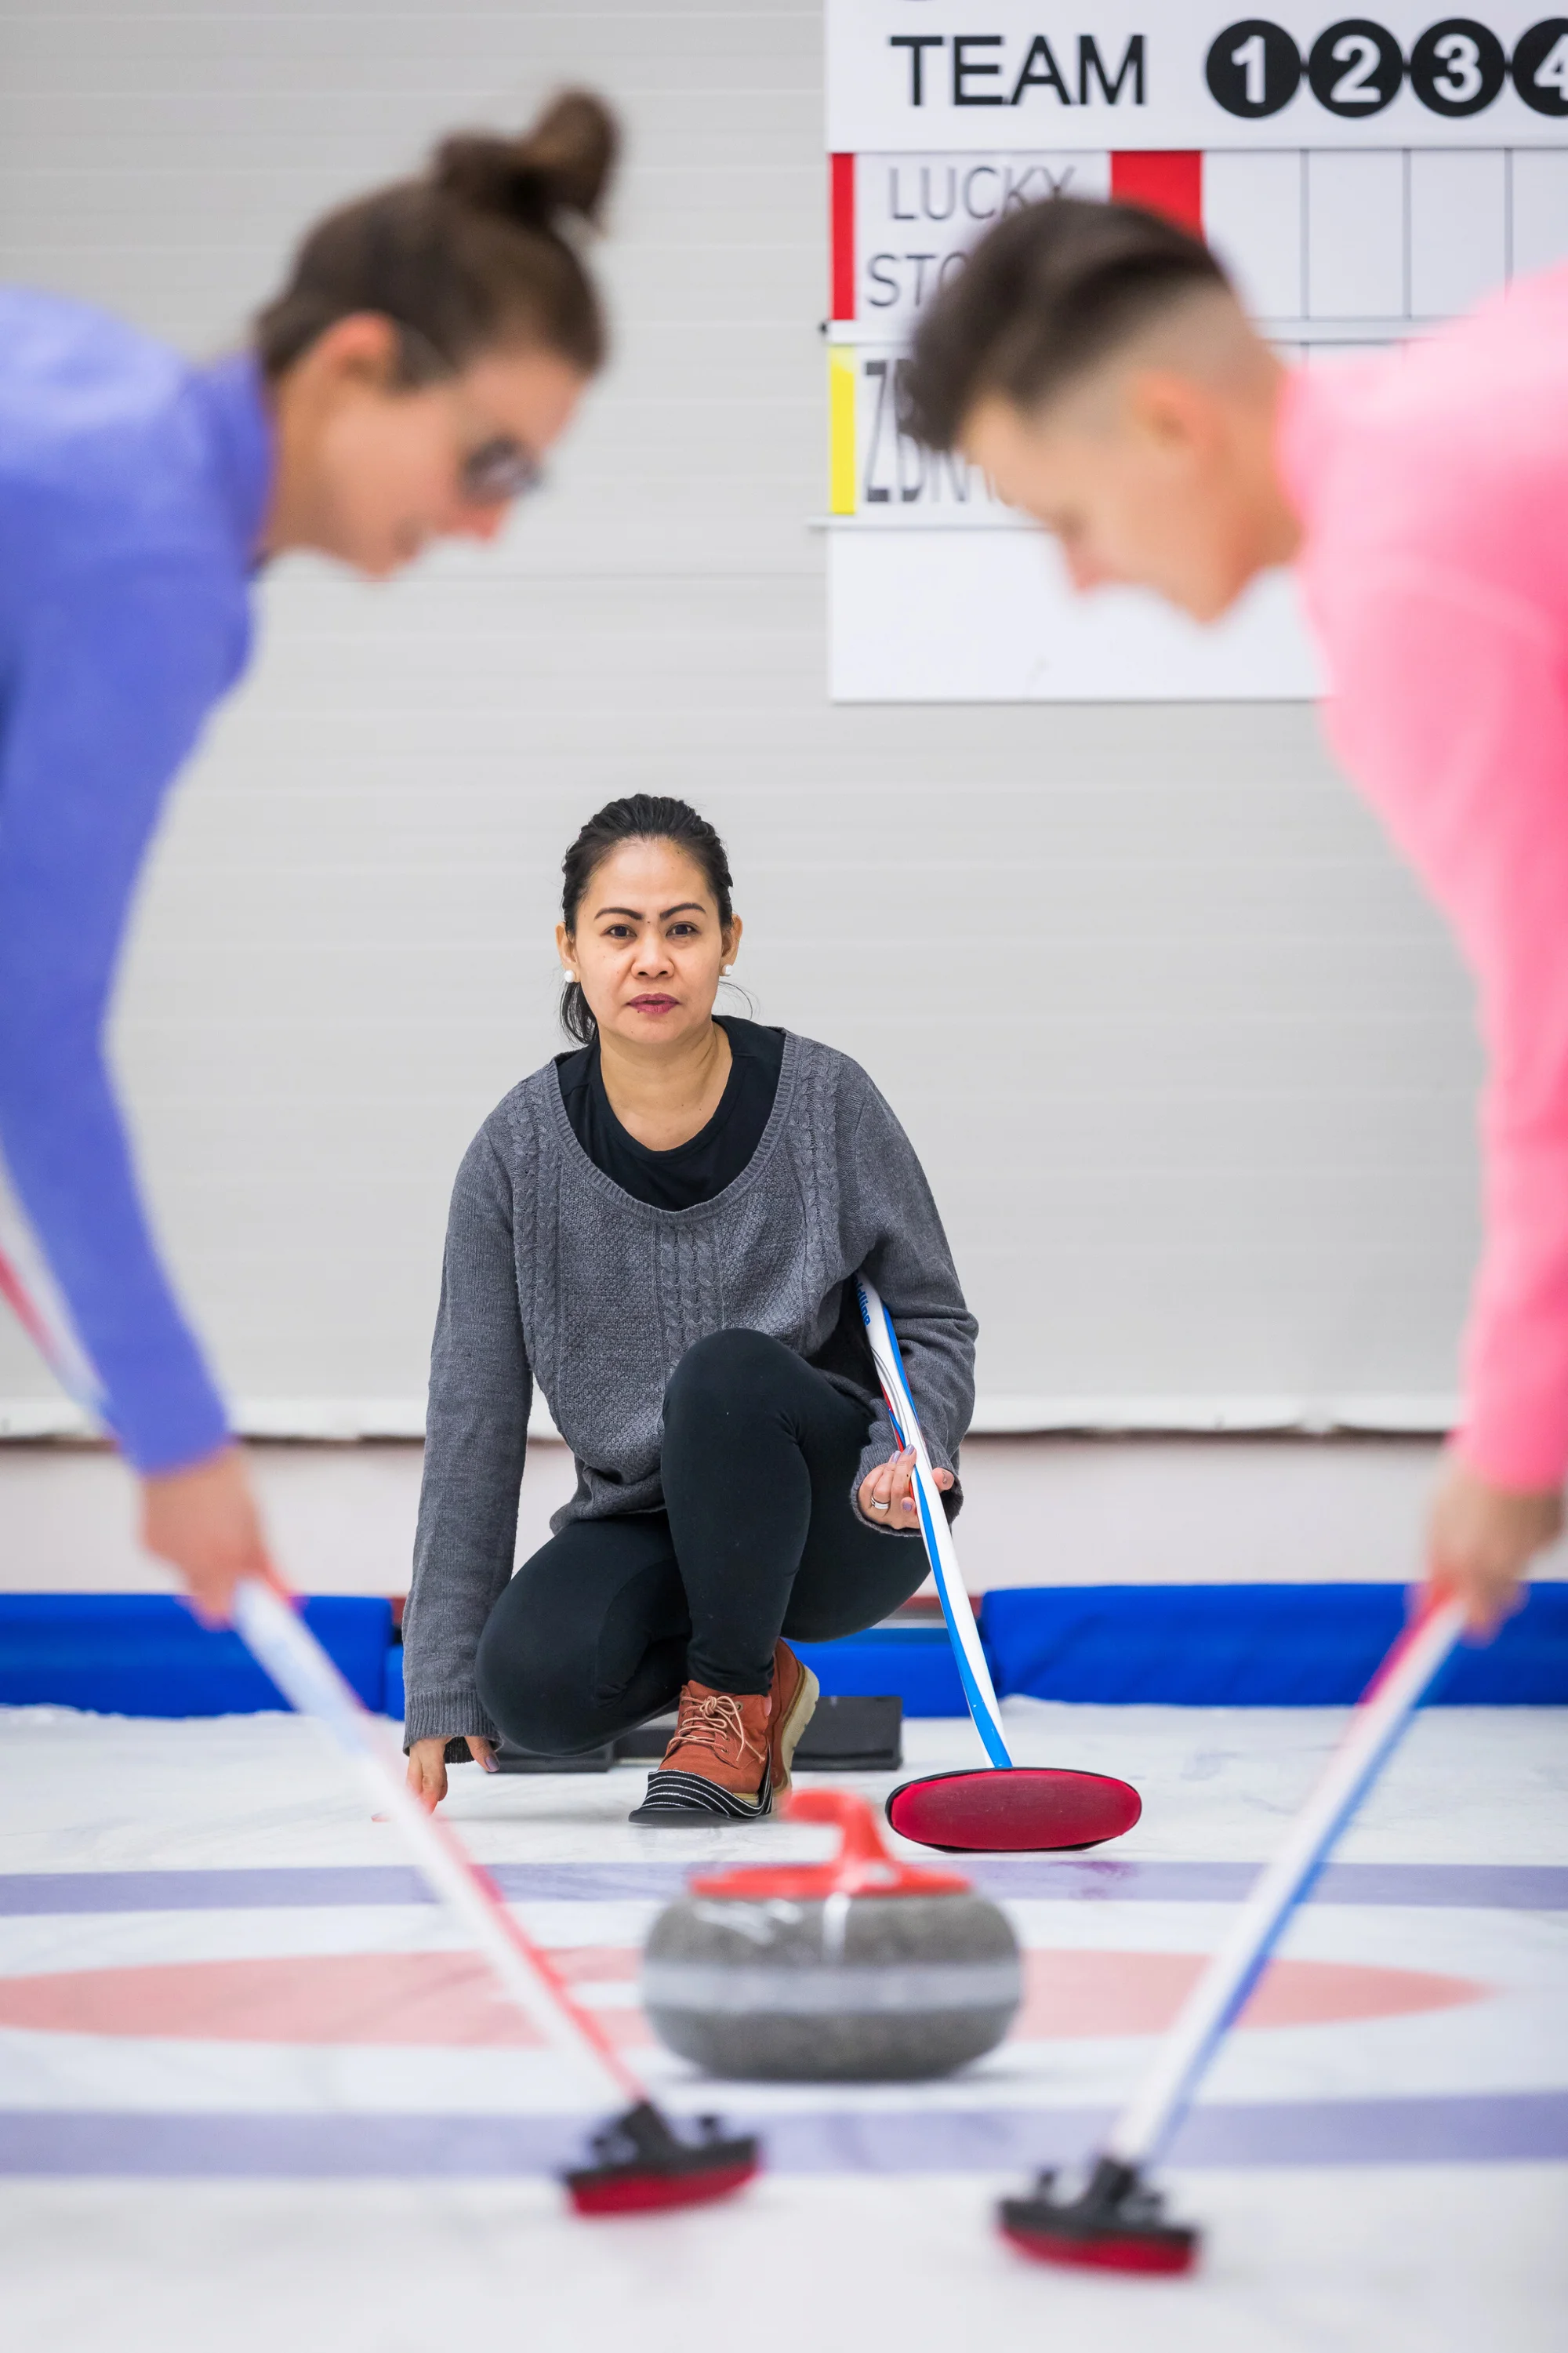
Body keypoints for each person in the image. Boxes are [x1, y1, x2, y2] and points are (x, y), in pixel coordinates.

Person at [900, 195, 1568, 1633]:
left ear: (1168, 423)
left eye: (1067, 521)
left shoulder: (1408, 576)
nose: (1081, 579)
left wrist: (1518, 1431)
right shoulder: (1495, 367)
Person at [0, 91, 618, 1618]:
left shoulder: (92, 386)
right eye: (490, 464)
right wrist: (178, 1436)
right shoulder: (154, 564)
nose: (486, 528)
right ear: (353, 368)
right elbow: (31, 1028)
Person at [401, 793, 976, 1822]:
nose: (652, 960)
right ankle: (754, 1676)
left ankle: (730, 1716)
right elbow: (472, 1417)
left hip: (835, 1516)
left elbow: (933, 1320)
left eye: (682, 928)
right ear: (571, 949)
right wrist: (440, 1681)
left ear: (728, 941)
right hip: (653, 1523)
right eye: (619, 931)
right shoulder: (515, 1155)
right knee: (529, 1685)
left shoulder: (826, 1102)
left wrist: (910, 1448)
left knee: (724, 1373)